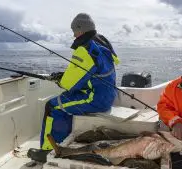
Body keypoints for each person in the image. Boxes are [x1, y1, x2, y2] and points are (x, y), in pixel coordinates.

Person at [28, 13, 120, 162]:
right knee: (64, 101)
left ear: (81, 29)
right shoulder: (102, 43)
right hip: (107, 94)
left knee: (52, 107)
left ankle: (48, 151)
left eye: (74, 31)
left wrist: (60, 80)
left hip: (95, 98)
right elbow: (90, 72)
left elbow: (69, 84)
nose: (73, 35)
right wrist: (65, 75)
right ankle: (64, 143)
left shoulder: (84, 49)